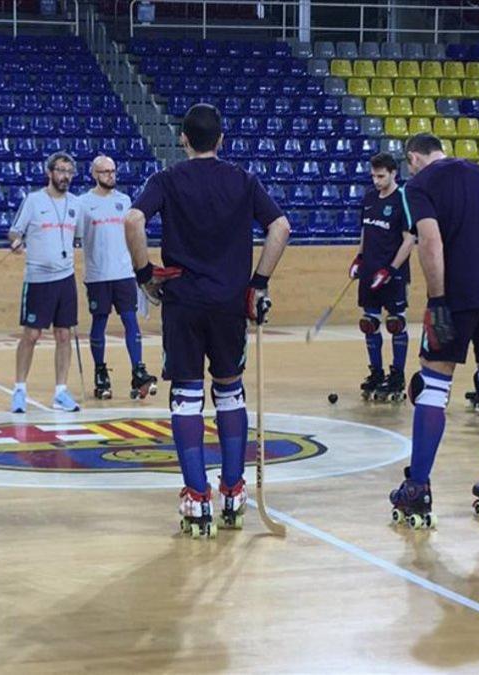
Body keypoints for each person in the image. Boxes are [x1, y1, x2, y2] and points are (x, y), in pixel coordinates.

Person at [124, 103, 292, 537]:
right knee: (230, 393)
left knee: (185, 396)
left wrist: (145, 275)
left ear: (183, 140)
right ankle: (234, 492)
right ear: (220, 140)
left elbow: (133, 219)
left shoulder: (166, 180)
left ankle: (197, 497)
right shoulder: (242, 180)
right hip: (229, 303)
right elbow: (281, 228)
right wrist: (259, 283)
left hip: (183, 301)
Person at [391, 133, 479, 529]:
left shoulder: (419, 185)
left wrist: (437, 299)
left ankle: (416, 487)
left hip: (454, 296)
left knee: (434, 386)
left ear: (414, 158)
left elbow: (430, 242)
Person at [76, 155, 157, 400]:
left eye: (112, 171)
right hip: (98, 274)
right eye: (105, 172)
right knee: (99, 322)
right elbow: (75, 235)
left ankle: (138, 370)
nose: (110, 175)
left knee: (130, 321)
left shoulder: (124, 201)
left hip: (123, 273)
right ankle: (100, 372)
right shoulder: (83, 203)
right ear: (94, 174)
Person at [8, 151, 82, 413]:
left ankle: (61, 392)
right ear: (50, 172)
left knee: (64, 335)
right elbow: (15, 230)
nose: (65, 176)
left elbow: (82, 233)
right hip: (39, 278)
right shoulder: (33, 200)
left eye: (69, 172)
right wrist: (15, 242)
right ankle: (19, 389)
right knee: (32, 334)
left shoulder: (76, 203)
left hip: (66, 276)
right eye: (61, 171)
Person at [350, 152, 414, 402]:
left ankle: (397, 375)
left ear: (393, 174)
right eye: (373, 176)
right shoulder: (368, 199)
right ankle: (376, 372)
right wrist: (359, 258)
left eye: (381, 176)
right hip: (369, 272)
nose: (376, 181)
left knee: (396, 323)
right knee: (369, 323)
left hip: (392, 274)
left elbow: (410, 239)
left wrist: (391, 269)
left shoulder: (403, 199)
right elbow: (366, 231)